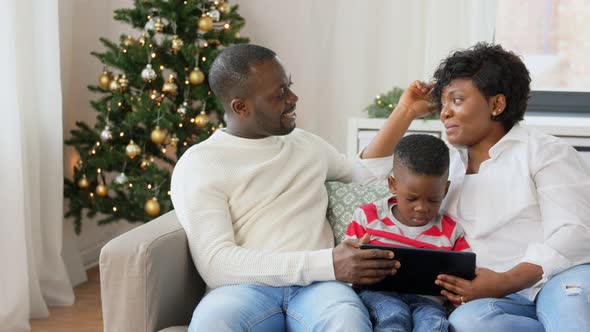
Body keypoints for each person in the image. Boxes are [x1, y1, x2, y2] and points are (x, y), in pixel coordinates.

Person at [170, 44, 431, 331]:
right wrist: (328, 262)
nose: (293, 99)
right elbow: (216, 263)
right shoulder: (200, 164)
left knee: (347, 321)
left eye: (289, 86)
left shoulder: (306, 145)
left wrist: (406, 111)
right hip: (243, 290)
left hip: (319, 290)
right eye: (279, 94)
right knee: (213, 323)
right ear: (240, 107)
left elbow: (364, 175)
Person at [362, 42, 590, 331]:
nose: (444, 113)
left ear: (496, 105)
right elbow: (370, 173)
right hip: (491, 297)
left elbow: (575, 234)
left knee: (571, 303)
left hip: (558, 279)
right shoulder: (447, 165)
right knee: (468, 323)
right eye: (442, 103)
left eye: (456, 100)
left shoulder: (545, 152)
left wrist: (507, 279)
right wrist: (406, 110)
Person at [346, 134, 470, 332]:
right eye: (411, 199)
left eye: (433, 200)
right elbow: (346, 265)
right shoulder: (367, 217)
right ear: (393, 185)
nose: (421, 208)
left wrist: (459, 290)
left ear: (445, 189)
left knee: (434, 324)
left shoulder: (451, 230)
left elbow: (464, 276)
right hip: (379, 295)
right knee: (393, 316)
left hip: (428, 302)